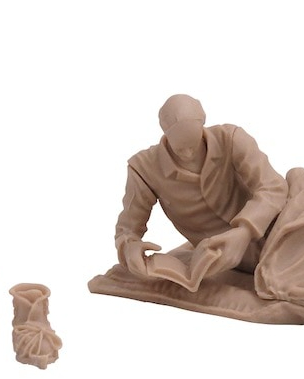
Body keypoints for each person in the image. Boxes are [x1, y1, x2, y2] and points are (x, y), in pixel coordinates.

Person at [115, 94, 288, 280]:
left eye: (193, 144)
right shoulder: (144, 169)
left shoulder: (231, 139)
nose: (188, 154)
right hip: (228, 255)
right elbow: (128, 228)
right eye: (180, 149)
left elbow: (273, 187)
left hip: (277, 217)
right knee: (288, 270)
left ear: (203, 122)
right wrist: (128, 246)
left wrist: (245, 231)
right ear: (164, 132)